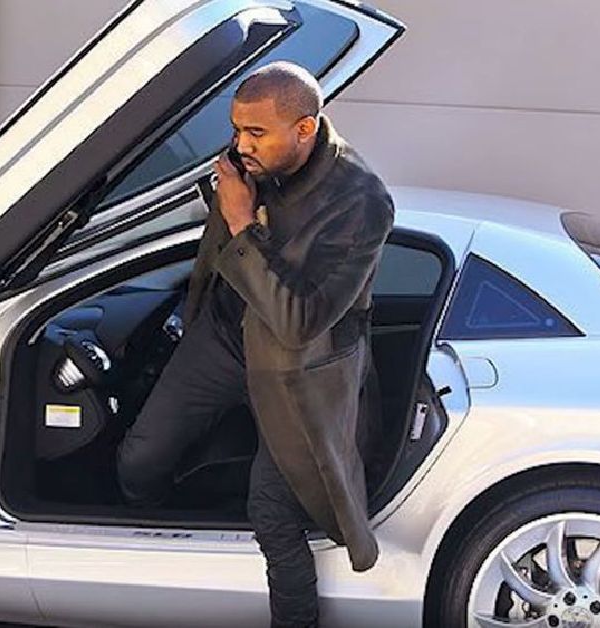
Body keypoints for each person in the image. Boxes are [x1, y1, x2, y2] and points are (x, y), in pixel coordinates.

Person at [116, 61, 394, 627]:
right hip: (222, 336)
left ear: (305, 129)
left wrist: (243, 223)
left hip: (297, 367)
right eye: (236, 129)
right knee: (140, 459)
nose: (240, 144)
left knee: (273, 514)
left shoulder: (362, 202)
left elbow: (300, 321)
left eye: (255, 133)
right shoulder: (255, 159)